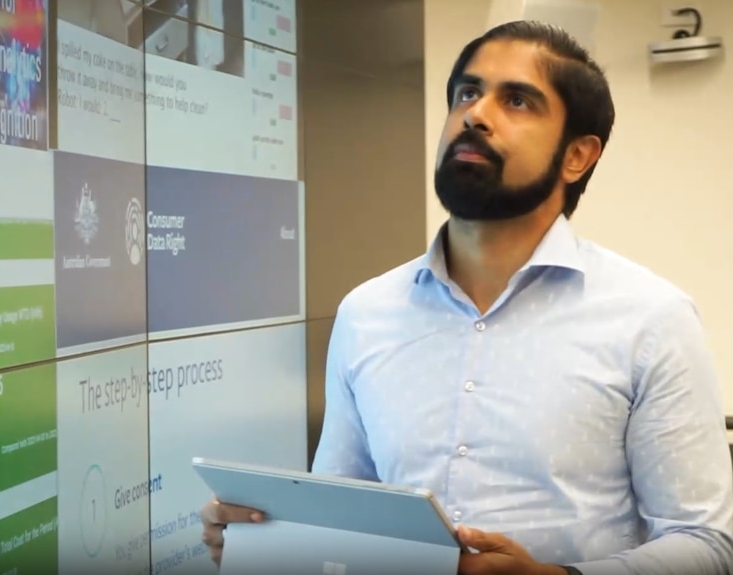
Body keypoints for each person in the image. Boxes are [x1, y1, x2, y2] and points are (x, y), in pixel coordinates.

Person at [199, 20, 733, 575]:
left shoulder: (651, 319)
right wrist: (266, 536)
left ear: (578, 156)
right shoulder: (367, 312)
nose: (476, 114)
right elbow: (341, 519)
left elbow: (706, 544)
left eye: (518, 101)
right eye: (467, 93)